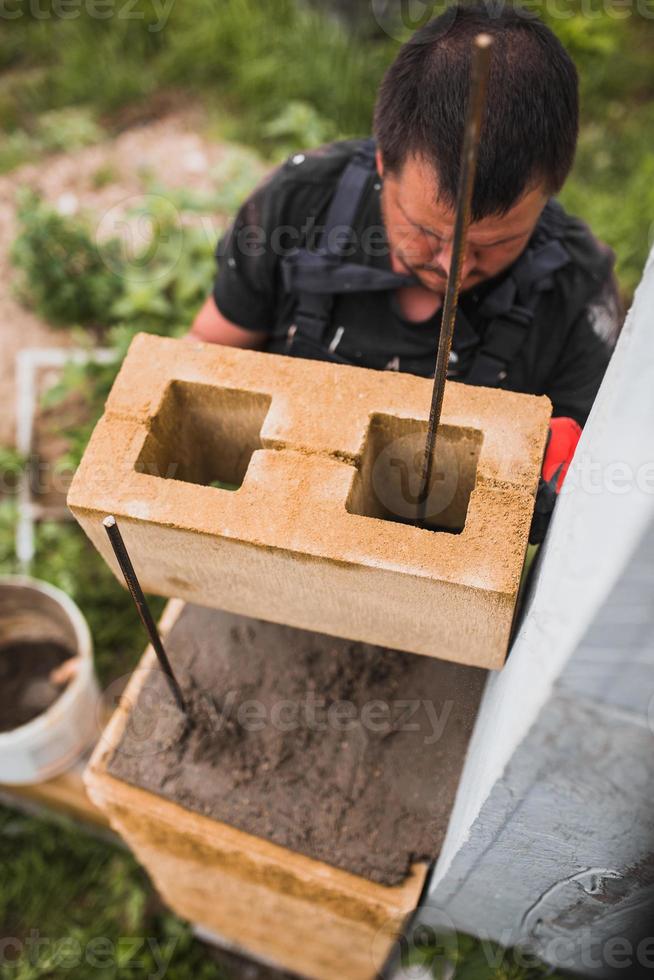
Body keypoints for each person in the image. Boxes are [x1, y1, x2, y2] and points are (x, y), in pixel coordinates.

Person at [190, 3, 622, 537]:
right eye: (428, 233)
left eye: (499, 243)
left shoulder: (576, 288)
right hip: (272, 530)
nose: (454, 268)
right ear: (381, 163)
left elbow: (589, 472)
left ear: (550, 193)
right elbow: (207, 354)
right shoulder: (299, 206)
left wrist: (554, 484)